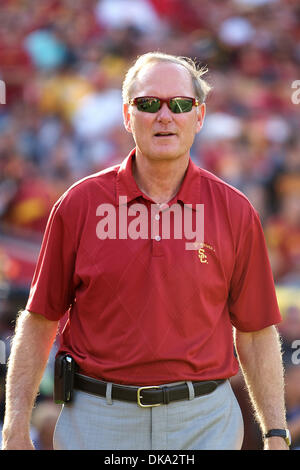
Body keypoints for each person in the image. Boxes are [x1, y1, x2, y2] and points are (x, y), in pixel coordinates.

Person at [2, 52, 289, 451]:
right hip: (97, 420)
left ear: (199, 116)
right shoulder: (78, 205)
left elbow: (256, 333)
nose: (165, 116)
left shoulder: (236, 212)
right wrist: (15, 426)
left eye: (181, 104)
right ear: (127, 114)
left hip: (205, 422)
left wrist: (276, 433)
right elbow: (39, 321)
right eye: (149, 103)